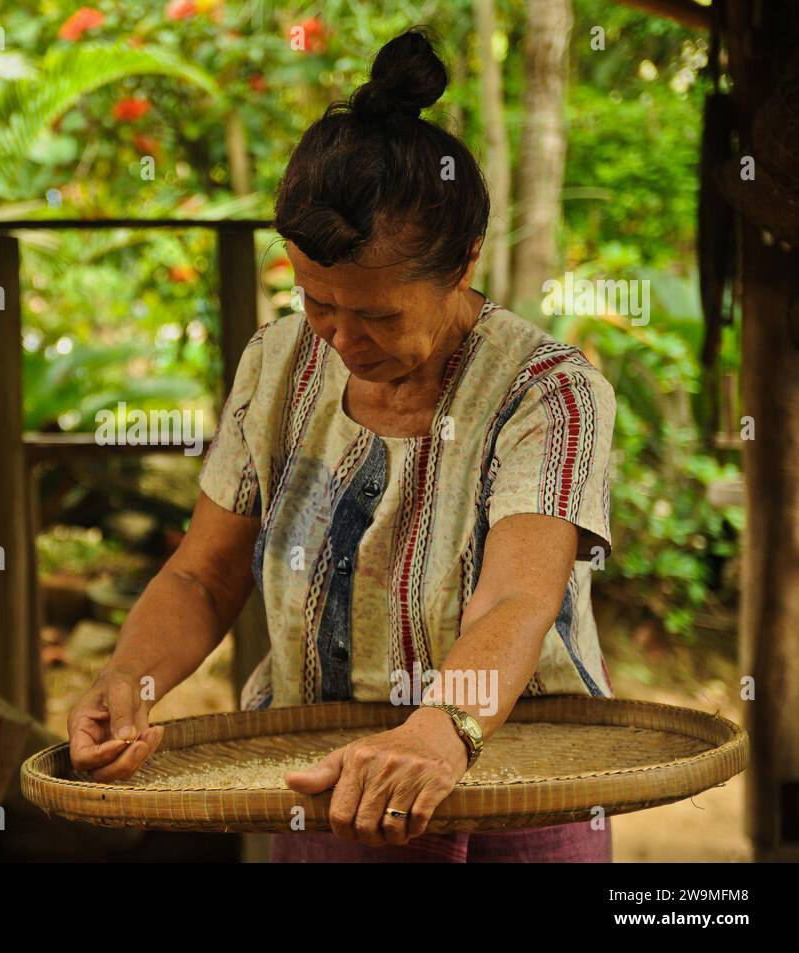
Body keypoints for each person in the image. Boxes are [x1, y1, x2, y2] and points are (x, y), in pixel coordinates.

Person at [66, 27, 615, 863]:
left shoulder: (549, 391)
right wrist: (129, 679)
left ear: (464, 263)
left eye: (379, 315)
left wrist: (440, 728)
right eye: (318, 302)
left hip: (524, 774)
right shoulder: (277, 364)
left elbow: (516, 598)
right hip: (324, 783)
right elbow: (200, 572)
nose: (341, 338)